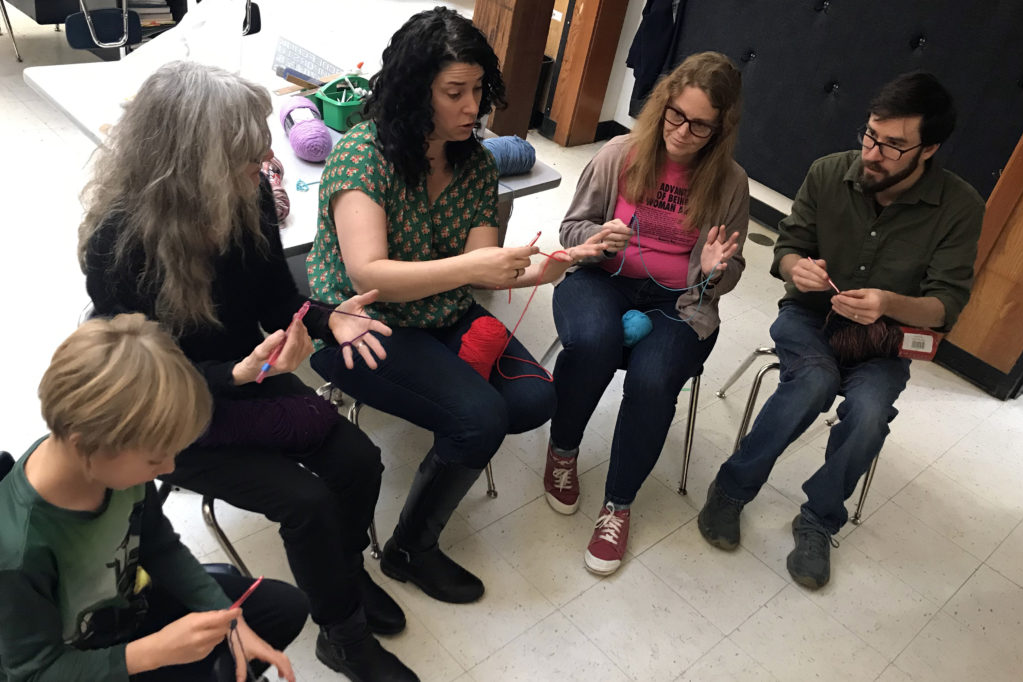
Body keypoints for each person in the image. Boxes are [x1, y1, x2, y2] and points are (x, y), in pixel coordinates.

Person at [79, 62, 418, 681]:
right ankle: (341, 635)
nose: (267, 152)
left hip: (243, 378)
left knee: (360, 461)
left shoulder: (247, 192)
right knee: (307, 499)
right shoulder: (119, 243)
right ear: (192, 160)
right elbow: (135, 374)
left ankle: (343, 577)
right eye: (245, 145)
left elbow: (271, 296)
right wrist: (233, 375)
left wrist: (324, 319)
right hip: (168, 415)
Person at [307, 7, 608, 604]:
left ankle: (454, 426)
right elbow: (371, 275)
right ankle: (408, 550)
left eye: (478, 90)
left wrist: (540, 273)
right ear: (416, 91)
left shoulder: (475, 159)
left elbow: (480, 262)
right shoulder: (363, 154)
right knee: (480, 417)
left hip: (438, 312)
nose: (474, 107)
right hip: (358, 325)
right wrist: (477, 268)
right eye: (456, 92)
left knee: (533, 397)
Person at [698, 71, 985, 588]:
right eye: (871, 134)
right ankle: (733, 489)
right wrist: (793, 268)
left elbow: (945, 307)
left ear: (929, 149)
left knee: (871, 413)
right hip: (809, 317)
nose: (873, 153)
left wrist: (888, 303)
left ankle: (818, 520)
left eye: (894, 145)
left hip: (883, 341)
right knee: (813, 381)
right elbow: (786, 248)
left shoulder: (960, 208)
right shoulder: (830, 172)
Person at [0, 314, 304, 682]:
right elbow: (34, 673)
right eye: (155, 457)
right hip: (80, 661)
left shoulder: (110, 464)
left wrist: (226, 616)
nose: (168, 468)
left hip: (129, 612)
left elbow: (159, 546)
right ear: (89, 448)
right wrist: (150, 653)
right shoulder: (17, 550)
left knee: (283, 608)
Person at [547, 52, 749, 575]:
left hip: (678, 301)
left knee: (655, 379)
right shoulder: (620, 154)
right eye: (675, 115)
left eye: (700, 125)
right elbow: (569, 232)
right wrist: (596, 238)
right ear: (663, 106)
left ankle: (618, 505)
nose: (682, 132)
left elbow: (722, 281)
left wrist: (712, 270)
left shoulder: (730, 183)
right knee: (593, 344)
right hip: (602, 278)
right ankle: (563, 450)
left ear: (720, 129)